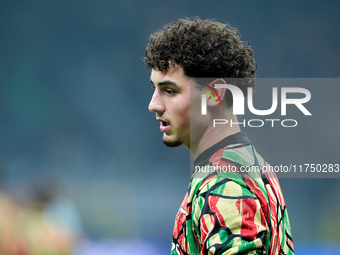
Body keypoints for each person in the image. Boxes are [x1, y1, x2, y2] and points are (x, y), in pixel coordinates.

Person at [144, 17, 294, 255]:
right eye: (154, 89)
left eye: (169, 91)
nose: (153, 105)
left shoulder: (224, 184)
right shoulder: (247, 162)